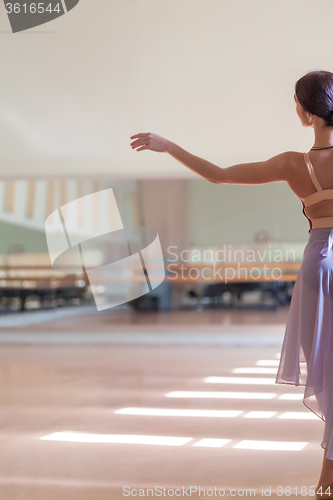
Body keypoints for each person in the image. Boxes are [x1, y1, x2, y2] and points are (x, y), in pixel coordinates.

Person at [130, 70, 333, 499]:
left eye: (295, 102)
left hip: (321, 263)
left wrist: (170, 147)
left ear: (308, 112)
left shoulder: (294, 164)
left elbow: (219, 175)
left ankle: (326, 486)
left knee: (328, 369)